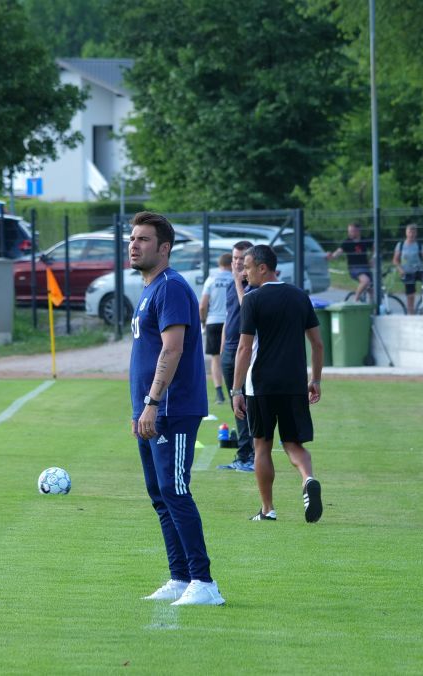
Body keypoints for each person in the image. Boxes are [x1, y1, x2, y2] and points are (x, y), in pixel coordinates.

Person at [128, 211, 225, 607]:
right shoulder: (150, 288)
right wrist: (139, 410)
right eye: (132, 238)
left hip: (172, 408)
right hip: (150, 410)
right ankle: (180, 575)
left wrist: (152, 402)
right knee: (159, 493)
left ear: (164, 248)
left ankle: (204, 582)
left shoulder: (170, 287)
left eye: (144, 239)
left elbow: (172, 349)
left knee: (175, 489)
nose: (134, 245)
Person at [230, 244, 325, 523]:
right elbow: (317, 344)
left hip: (261, 385)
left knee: (261, 445)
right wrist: (315, 379)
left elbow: (244, 348)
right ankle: (308, 479)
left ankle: (267, 509)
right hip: (294, 384)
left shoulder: (252, 300)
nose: (245, 274)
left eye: (248, 267)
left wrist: (236, 390)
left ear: (263, 268)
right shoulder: (300, 296)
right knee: (294, 444)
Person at [216, 240, 257, 472]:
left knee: (247, 405)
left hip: (245, 351)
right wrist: (223, 348)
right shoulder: (233, 285)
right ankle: (243, 455)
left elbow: (246, 308)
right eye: (234, 258)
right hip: (229, 351)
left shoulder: (253, 286)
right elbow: (229, 316)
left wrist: (239, 282)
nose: (237, 263)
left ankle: (251, 456)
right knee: (237, 406)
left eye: (242, 259)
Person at [200, 252, 233, 404]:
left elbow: (202, 305)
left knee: (215, 358)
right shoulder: (234, 279)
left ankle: (219, 393)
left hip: (213, 322)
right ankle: (235, 389)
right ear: (231, 264)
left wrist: (203, 321)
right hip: (231, 321)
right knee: (234, 356)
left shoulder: (211, 279)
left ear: (219, 264)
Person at [327, 222, 374, 300]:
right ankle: (355, 300)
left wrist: (373, 258)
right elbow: (338, 252)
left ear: (358, 231)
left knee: (372, 288)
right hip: (354, 268)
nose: (349, 233)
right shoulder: (347, 242)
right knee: (365, 281)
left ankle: (373, 306)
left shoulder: (365, 240)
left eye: (352, 231)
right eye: (349, 231)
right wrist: (331, 256)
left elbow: (375, 247)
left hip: (366, 268)